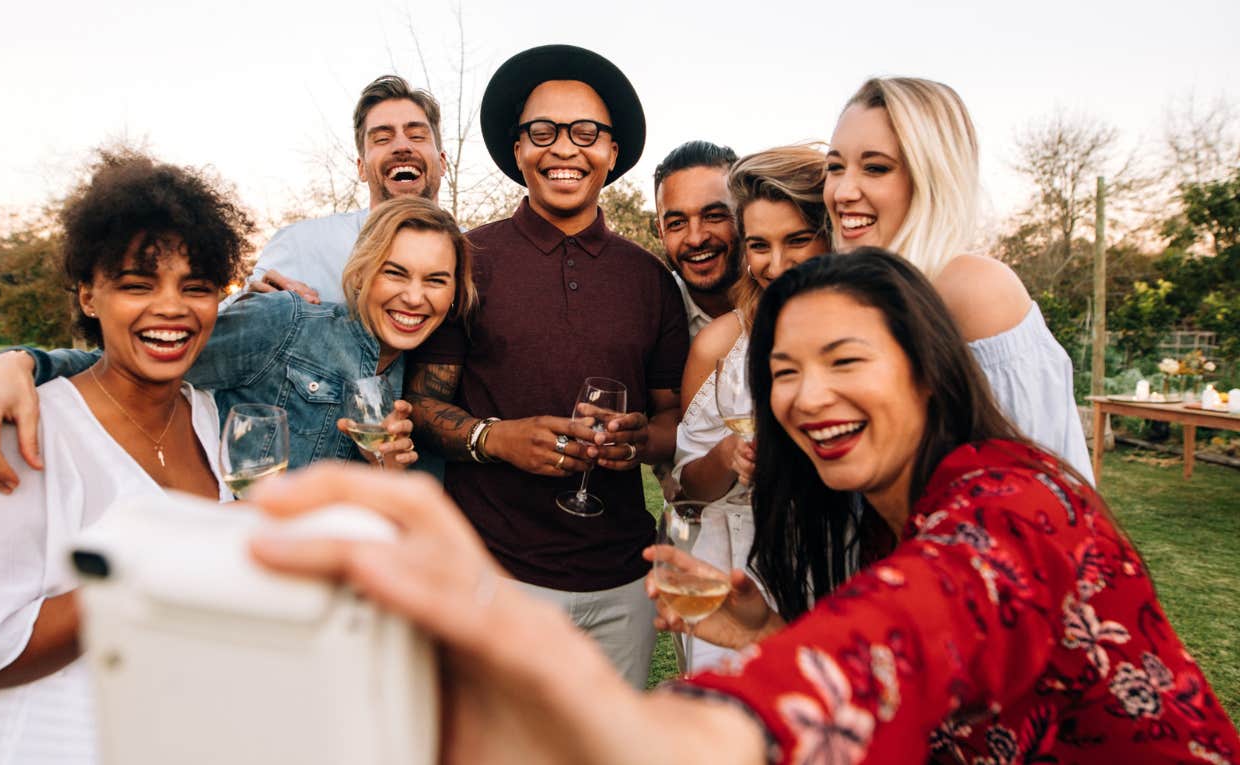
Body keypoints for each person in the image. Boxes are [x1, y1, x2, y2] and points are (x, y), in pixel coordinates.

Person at [248, 251, 1240, 764]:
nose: (807, 396)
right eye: (782, 373)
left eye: (845, 361)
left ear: (929, 369)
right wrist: (754, 621)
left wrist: (672, 739)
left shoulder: (1015, 502)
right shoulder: (882, 514)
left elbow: (925, 625)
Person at [0, 152, 247, 764]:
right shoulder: (20, 429)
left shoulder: (206, 413)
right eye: (138, 285)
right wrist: (162, 555)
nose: (171, 308)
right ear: (90, 294)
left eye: (195, 287)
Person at [405, 44, 688, 688]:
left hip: (622, 585)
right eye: (543, 132)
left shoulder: (650, 279)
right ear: (519, 150)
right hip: (494, 575)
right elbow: (421, 406)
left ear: (612, 152)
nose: (565, 148)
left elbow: (674, 419)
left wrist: (641, 438)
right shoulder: (468, 257)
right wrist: (497, 438)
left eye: (586, 132)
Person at [0, 196, 476, 494]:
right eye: (395, 273)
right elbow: (122, 369)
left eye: (436, 280)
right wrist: (14, 364)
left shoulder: (408, 374)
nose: (413, 297)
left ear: (454, 293)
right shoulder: (286, 321)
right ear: (361, 274)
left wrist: (385, 470)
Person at [825, 76, 1093, 478]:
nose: (843, 191)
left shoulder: (976, 291)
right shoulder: (855, 297)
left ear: (932, 176)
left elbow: (1035, 481)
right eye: (835, 167)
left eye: (875, 168)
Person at [671, 144, 831, 671]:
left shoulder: (866, 330)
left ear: (827, 236)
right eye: (760, 245)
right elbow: (684, 490)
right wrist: (726, 457)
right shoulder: (720, 344)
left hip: (833, 560)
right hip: (733, 566)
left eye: (797, 240)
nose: (776, 263)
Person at [230, 75, 448, 305]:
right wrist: (250, 309)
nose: (402, 146)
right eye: (382, 138)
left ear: (442, 162)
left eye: (416, 136)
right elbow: (216, 328)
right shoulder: (302, 245)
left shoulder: (478, 253)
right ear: (361, 168)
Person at [653, 140, 741, 337]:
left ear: (744, 215)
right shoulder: (649, 316)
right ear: (661, 232)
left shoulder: (783, 297)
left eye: (713, 216)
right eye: (677, 223)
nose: (696, 239)